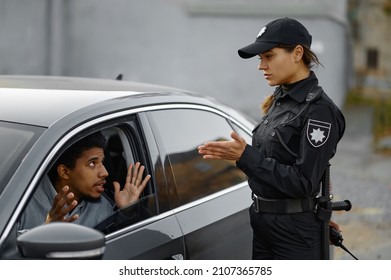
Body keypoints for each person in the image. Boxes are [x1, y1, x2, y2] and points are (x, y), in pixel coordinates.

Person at [198, 17, 345, 259]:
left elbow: (303, 182)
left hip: (294, 233)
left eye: (269, 56)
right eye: (260, 59)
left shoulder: (318, 110)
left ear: (297, 53)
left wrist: (245, 156)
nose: (261, 66)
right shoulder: (280, 99)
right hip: (265, 223)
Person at [19, 131, 151, 231]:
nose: (105, 173)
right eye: (92, 164)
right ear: (64, 172)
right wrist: (45, 232)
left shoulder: (101, 206)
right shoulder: (21, 202)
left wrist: (125, 212)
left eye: (102, 162)